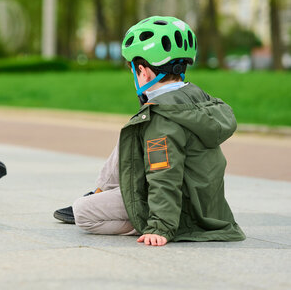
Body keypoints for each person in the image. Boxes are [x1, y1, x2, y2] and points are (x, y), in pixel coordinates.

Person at [53, 15, 245, 246]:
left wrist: (160, 227)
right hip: (204, 204)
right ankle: (99, 193)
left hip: (183, 213)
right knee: (131, 132)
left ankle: (137, 218)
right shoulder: (195, 97)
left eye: (133, 69)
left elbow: (165, 175)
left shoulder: (162, 120)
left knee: (82, 212)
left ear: (143, 72)